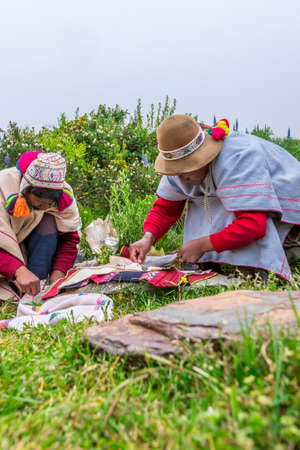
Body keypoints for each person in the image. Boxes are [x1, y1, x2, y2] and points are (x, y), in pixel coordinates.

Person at [129, 115, 300, 281]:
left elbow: (254, 224)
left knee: (233, 205)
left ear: (202, 158)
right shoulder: (178, 161)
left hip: (289, 218)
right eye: (176, 172)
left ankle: (264, 269)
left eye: (184, 171)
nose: (180, 180)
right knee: (208, 205)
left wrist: (202, 245)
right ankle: (225, 265)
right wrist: (147, 239)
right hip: (253, 212)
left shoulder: (238, 158)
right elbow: (166, 208)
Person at [0, 151, 81, 300]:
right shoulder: (4, 187)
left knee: (48, 222)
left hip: (31, 251)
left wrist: (59, 272)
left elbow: (70, 238)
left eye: (48, 203)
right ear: (26, 189)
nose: (44, 206)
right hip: (6, 253)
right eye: (39, 201)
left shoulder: (64, 195)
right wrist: (17, 270)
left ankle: (35, 287)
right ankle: (21, 284)